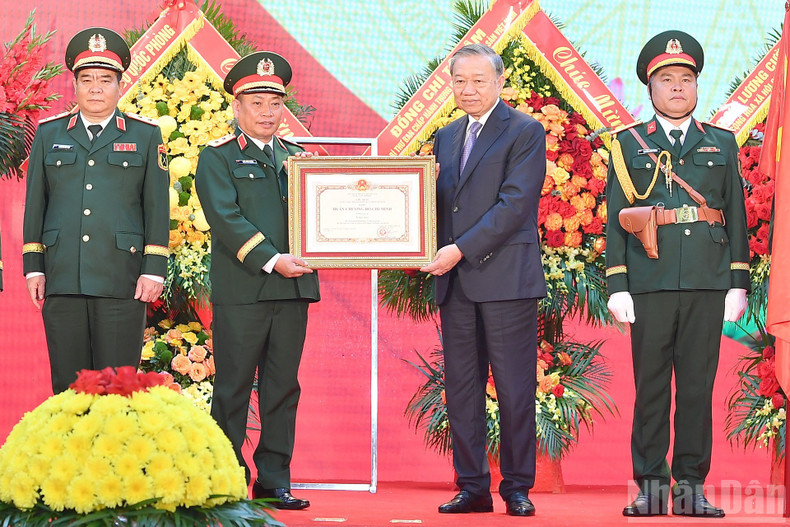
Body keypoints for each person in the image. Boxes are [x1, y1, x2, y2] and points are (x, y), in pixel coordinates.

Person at [606, 31, 749, 518]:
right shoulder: (628, 145)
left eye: (685, 79)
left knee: (695, 389)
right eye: (666, 79)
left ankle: (690, 487)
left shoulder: (721, 143)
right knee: (650, 388)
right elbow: (616, 217)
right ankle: (651, 486)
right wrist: (618, 285)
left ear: (696, 86)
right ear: (650, 88)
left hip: (708, 283)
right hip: (649, 281)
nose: (676, 88)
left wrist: (738, 282)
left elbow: (736, 215)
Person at [420, 43, 547, 517]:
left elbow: (514, 206)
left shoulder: (525, 131)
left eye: (479, 81)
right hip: (456, 285)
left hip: (505, 279)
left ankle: (516, 487)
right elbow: (434, 203)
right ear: (450, 84)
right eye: (460, 81)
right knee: (462, 389)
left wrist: (457, 251)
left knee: (514, 388)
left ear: (499, 82)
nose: (468, 90)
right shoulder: (446, 136)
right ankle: (472, 486)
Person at [194, 51, 319, 510]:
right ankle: (225, 478)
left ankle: (273, 479)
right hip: (244, 290)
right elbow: (225, 218)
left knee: (283, 387)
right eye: (257, 103)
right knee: (232, 387)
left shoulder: (301, 159)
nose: (267, 112)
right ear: (237, 106)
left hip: (293, 289)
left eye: (274, 103)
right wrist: (272, 259)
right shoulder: (218, 157)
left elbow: (325, 216)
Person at [22, 27, 169, 393]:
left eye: (106, 79)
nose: (96, 87)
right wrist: (33, 268)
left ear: (120, 85)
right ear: (75, 84)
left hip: (122, 279)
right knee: (69, 388)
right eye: (86, 79)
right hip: (63, 276)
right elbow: (36, 204)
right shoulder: (49, 133)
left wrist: (154, 271)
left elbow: (156, 207)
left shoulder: (145, 135)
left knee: (118, 387)